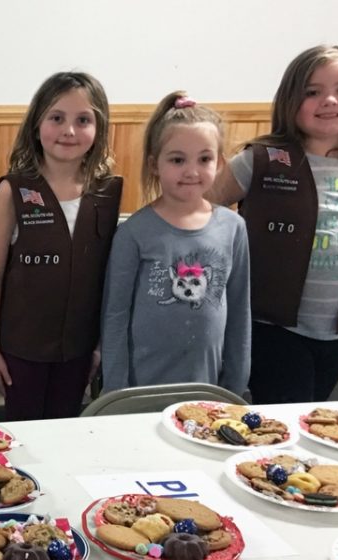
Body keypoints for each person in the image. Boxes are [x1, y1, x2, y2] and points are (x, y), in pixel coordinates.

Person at [208, 45, 338, 403]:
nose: (330, 101)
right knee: (285, 418)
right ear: (290, 98)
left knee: (313, 415)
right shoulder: (260, 160)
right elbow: (200, 207)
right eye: (312, 91)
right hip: (273, 328)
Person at [0, 72, 122, 420]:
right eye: (57, 118)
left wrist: (100, 348)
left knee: (65, 432)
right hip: (22, 350)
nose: (69, 131)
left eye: (83, 120)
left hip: (79, 349)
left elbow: (109, 278)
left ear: (99, 128)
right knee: (25, 436)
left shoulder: (107, 191)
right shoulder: (13, 190)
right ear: (36, 122)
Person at [101, 92, 250, 393]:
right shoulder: (133, 233)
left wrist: (236, 386)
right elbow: (114, 317)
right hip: (140, 393)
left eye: (204, 159)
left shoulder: (233, 228)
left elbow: (239, 312)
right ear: (155, 164)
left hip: (208, 391)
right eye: (178, 159)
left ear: (219, 163)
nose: (192, 171)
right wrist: (114, 391)